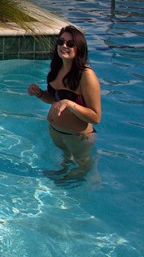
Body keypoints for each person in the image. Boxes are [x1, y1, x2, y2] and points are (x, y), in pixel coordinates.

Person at [27, 25, 102, 170]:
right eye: (61, 42)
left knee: (83, 170)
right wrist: (40, 94)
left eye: (70, 44)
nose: (64, 46)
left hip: (77, 138)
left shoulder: (86, 75)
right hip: (57, 134)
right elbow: (55, 100)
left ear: (78, 48)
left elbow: (96, 117)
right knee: (64, 168)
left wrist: (70, 103)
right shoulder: (57, 67)